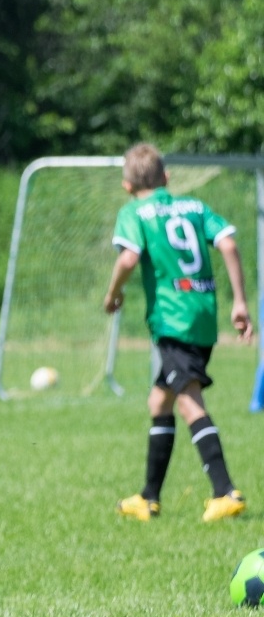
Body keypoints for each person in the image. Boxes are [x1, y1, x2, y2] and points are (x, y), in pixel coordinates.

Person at [106, 143, 251, 522]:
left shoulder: (134, 211)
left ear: (126, 186)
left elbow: (129, 257)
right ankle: (149, 498)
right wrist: (240, 302)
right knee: (160, 402)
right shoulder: (196, 207)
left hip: (173, 320)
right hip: (203, 314)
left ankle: (225, 491)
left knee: (188, 400)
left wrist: (113, 293)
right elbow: (230, 242)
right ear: (167, 178)